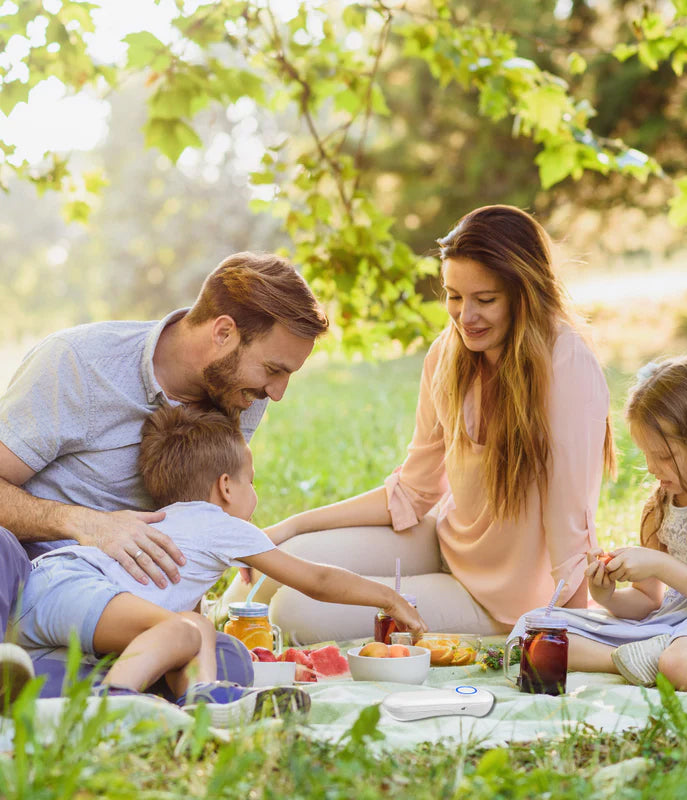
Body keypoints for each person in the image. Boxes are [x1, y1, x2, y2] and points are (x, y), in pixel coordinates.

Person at [221, 204, 616, 642]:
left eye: (485, 300)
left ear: (524, 294)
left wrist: (570, 635)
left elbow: (569, 519)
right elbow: (412, 491)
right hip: (445, 544)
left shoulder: (566, 363)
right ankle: (202, 626)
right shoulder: (448, 354)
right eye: (454, 295)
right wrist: (292, 526)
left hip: (504, 599)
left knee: (296, 613)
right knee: (285, 559)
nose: (466, 317)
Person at [0, 251, 328, 709]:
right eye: (273, 369)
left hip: (125, 602)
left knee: (224, 663)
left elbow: (194, 519)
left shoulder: (241, 396)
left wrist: (187, 627)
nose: (277, 392)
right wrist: (86, 524)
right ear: (223, 332)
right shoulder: (78, 363)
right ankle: (42, 670)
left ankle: (57, 685)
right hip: (33, 575)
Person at [11, 404, 425, 725]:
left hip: (52, 593)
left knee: (197, 629)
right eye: (253, 480)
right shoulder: (220, 524)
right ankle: (116, 705)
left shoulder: (180, 520)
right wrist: (387, 597)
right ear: (226, 486)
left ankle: (204, 701)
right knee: (178, 629)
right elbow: (315, 579)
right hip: (71, 584)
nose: (254, 492)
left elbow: (181, 608)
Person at [510, 357, 687, 713]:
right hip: (674, 621)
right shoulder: (660, 507)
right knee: (534, 629)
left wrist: (660, 565)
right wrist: (607, 595)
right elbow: (649, 602)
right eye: (647, 455)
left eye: (663, 455)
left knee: (678, 662)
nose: (651, 468)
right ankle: (626, 658)